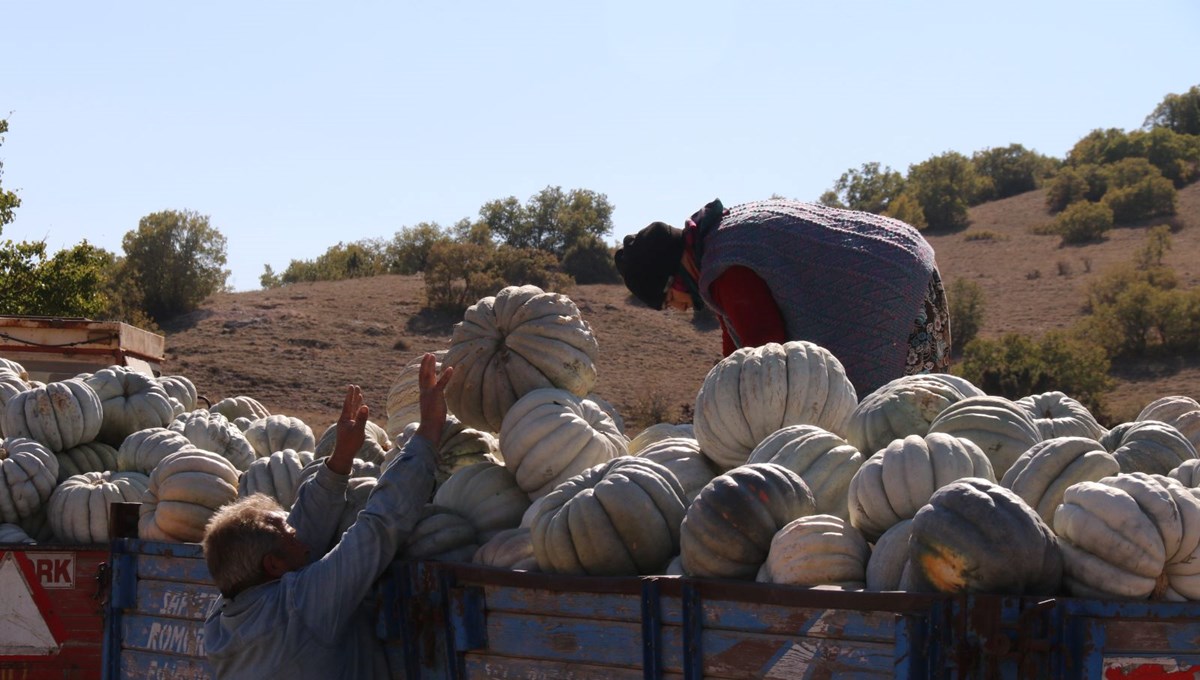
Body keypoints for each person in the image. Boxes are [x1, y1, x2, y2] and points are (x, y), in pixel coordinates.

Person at [201, 353, 452, 679]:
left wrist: (341, 459)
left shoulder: (220, 617)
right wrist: (429, 430)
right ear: (273, 566)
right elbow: (377, 526)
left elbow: (305, 525)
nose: (295, 532)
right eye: (284, 528)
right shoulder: (301, 607)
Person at [614, 198, 950, 397]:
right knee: (917, 420)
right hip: (909, 265)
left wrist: (737, 410)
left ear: (674, 276)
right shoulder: (718, 243)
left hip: (896, 298)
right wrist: (721, 385)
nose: (677, 308)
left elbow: (766, 351)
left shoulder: (724, 268)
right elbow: (736, 345)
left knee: (895, 425)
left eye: (668, 300)